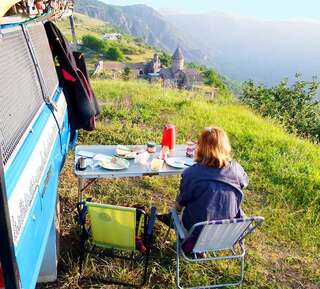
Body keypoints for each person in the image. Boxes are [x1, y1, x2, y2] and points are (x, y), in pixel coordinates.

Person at [158, 126, 248, 247]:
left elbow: (181, 202)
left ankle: (190, 241)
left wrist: (175, 212)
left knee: (177, 211)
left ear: (201, 148)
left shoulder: (192, 173)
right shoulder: (236, 169)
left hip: (198, 230)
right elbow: (244, 183)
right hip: (228, 231)